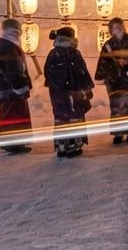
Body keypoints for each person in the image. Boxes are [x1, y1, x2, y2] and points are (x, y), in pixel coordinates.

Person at [43, 25, 95, 158]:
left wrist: (57, 86)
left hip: (57, 93)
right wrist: (87, 89)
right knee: (74, 117)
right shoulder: (74, 53)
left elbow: (47, 73)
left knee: (61, 117)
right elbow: (82, 72)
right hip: (74, 92)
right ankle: (73, 146)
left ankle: (61, 147)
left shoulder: (53, 53)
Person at [0, 18, 33, 154]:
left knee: (11, 116)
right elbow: (12, 70)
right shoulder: (8, 46)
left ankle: (14, 143)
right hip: (12, 90)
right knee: (14, 116)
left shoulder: (4, 44)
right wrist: (20, 87)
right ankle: (14, 144)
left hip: (6, 89)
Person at [95, 16, 128, 144]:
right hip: (114, 81)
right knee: (116, 107)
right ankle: (118, 133)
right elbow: (104, 62)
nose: (117, 30)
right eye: (113, 28)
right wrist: (114, 65)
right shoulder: (108, 45)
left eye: (118, 27)